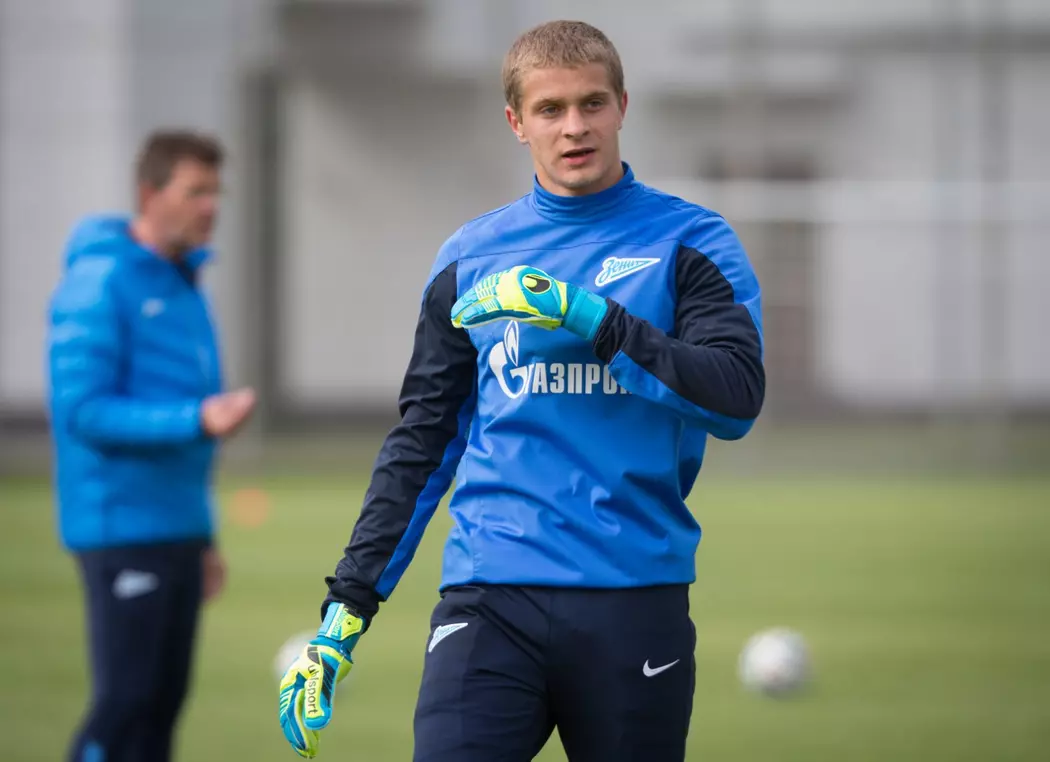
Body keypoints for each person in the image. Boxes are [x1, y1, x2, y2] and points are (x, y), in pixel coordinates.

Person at [278, 19, 764, 762]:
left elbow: (735, 397)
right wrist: (346, 608)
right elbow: (421, 444)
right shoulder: (469, 258)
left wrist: (591, 318)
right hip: (489, 597)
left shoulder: (691, 243)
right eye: (550, 109)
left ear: (622, 106)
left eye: (592, 103)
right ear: (516, 122)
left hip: (634, 597)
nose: (575, 127)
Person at [47, 129, 256, 762]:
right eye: (195, 192)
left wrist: (203, 534)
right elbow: (83, 410)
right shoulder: (101, 282)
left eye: (216, 192)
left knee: (160, 712)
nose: (210, 207)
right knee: (125, 707)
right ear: (149, 194)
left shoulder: (184, 281)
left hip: (177, 529)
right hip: (122, 528)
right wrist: (197, 419)